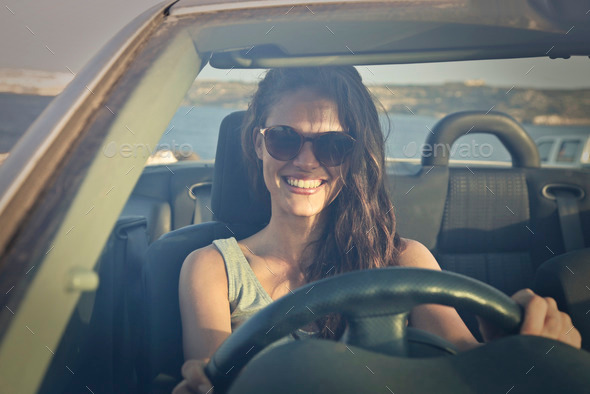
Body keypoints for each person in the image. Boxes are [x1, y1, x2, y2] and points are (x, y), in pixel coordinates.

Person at [172, 66, 581, 394]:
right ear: (259, 144)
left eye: (333, 145)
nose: (306, 161)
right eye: (284, 139)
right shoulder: (212, 268)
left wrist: (530, 347)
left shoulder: (403, 260)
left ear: (353, 157)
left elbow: (467, 362)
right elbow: (211, 379)